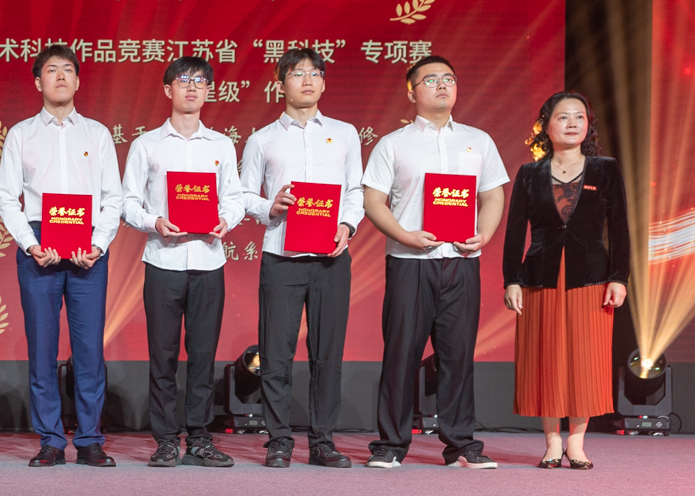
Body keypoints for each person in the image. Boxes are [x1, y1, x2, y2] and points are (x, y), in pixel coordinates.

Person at [361, 55, 510, 469]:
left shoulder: (479, 141)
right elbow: (373, 200)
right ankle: (391, 444)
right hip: (411, 262)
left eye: (449, 78)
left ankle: (461, 444)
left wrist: (484, 234)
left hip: (461, 261)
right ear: (411, 93)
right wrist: (404, 235)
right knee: (401, 354)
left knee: (457, 355)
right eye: (430, 80)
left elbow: (492, 195)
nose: (442, 85)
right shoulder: (393, 143)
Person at [0, 44, 124, 468]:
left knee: (89, 350)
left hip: (88, 244)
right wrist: (29, 243)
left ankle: (89, 439)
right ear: (38, 82)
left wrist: (99, 244)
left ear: (78, 80)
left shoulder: (97, 134)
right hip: (39, 242)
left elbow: (113, 197)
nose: (61, 76)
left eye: (68, 69)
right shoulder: (21, 134)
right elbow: (6, 197)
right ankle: (50, 439)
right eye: (52, 70)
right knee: (42, 348)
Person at [238, 48, 364, 469]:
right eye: (296, 73)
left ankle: (323, 441)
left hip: (331, 257)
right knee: (276, 353)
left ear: (324, 83)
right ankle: (278, 440)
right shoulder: (262, 139)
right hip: (282, 256)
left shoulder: (345, 134)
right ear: (281, 84)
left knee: (328, 353)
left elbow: (355, 190)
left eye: (314, 73)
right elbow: (243, 195)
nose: (307, 80)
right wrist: (269, 207)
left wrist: (347, 224)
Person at [122, 56, 243, 468]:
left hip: (208, 261)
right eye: (183, 79)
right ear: (167, 88)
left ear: (209, 91)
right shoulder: (147, 145)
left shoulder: (221, 145)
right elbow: (127, 202)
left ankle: (201, 437)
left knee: (203, 355)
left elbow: (234, 198)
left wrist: (226, 219)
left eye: (200, 81)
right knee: (163, 355)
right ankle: (166, 439)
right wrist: (154, 221)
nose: (192, 87)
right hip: (163, 260)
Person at [503, 92, 629, 470]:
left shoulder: (605, 170)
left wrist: (619, 277)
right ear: (546, 126)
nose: (572, 123)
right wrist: (511, 279)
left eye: (579, 117)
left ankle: (576, 441)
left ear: (588, 125)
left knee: (585, 360)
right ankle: (552, 441)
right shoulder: (530, 174)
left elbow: (620, 228)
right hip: (540, 277)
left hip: (590, 277)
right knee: (546, 358)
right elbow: (515, 232)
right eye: (563, 117)